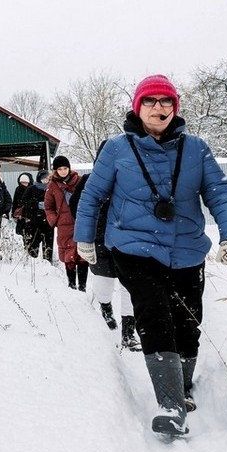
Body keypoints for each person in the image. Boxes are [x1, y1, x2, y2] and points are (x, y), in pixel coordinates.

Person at [74, 74, 227, 437]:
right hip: (134, 248)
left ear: (175, 108)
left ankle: (183, 385)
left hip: (186, 250)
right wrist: (84, 239)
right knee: (154, 315)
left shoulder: (196, 148)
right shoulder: (117, 149)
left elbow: (220, 193)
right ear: (138, 108)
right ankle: (169, 404)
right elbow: (92, 196)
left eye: (166, 101)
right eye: (151, 101)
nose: (159, 108)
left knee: (188, 321)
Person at [69, 141, 139, 350]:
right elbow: (76, 207)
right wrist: (90, 231)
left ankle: (128, 334)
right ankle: (106, 309)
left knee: (130, 287)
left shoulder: (131, 179)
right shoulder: (89, 180)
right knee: (104, 284)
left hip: (127, 241)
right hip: (99, 241)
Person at [45, 154, 88, 290]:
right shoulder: (52, 186)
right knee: (69, 256)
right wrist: (55, 220)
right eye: (60, 169)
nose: (63, 171)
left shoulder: (80, 181)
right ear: (55, 171)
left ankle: (82, 287)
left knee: (82, 255)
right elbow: (48, 206)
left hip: (81, 222)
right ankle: (71, 286)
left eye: (65, 168)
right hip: (64, 225)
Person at [19, 170, 53, 261]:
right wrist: (37, 204)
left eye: (47, 179)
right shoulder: (31, 189)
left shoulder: (51, 189)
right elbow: (24, 201)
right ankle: (33, 262)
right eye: (44, 179)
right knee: (34, 242)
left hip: (48, 221)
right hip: (34, 221)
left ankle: (48, 261)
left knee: (48, 243)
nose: (46, 181)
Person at [11, 172, 33, 246]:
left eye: (25, 182)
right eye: (22, 182)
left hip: (30, 214)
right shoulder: (18, 189)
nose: (24, 184)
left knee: (31, 232)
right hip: (22, 214)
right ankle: (26, 246)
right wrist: (13, 213)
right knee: (24, 232)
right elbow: (14, 202)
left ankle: (30, 247)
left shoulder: (32, 189)